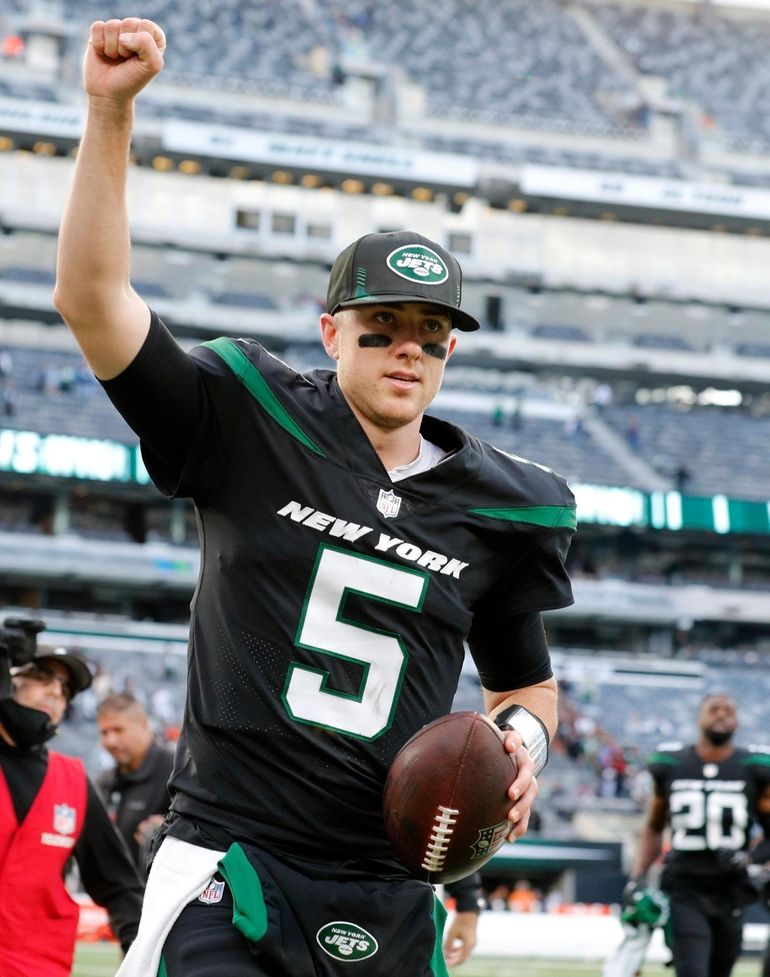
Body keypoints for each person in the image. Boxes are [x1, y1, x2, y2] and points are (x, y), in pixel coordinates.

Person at [53, 18, 576, 977]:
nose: (406, 348)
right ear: (331, 330)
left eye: (429, 331)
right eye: (381, 328)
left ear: (452, 349)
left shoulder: (507, 505)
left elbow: (523, 683)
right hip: (231, 863)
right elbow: (92, 300)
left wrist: (521, 741)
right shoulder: (248, 418)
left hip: (392, 882)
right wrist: (109, 110)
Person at [0, 645, 143, 977]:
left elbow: (119, 886)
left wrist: (143, 952)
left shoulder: (74, 782)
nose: (54, 691)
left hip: (39, 967)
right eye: (40, 676)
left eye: (64, 689)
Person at [626, 692, 770, 977]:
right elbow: (655, 826)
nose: (721, 714)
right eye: (714, 708)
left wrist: (747, 859)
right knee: (692, 970)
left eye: (728, 710)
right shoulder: (671, 765)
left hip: (732, 891)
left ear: (737, 722)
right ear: (698, 717)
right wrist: (637, 877)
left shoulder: (753, 768)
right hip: (685, 887)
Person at [96, 691, 174, 878]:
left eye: (118, 730)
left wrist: (171, 830)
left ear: (144, 725)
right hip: (115, 897)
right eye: (104, 732)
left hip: (158, 898)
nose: (110, 741)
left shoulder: (176, 772)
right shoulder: (105, 781)